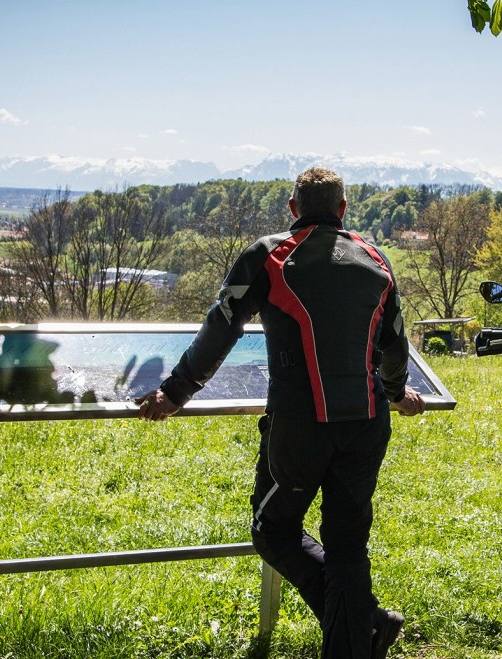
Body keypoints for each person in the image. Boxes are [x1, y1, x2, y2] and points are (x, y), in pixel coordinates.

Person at [136, 167, 425, 658]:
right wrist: (397, 393)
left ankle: (369, 621)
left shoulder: (268, 254)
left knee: (273, 529)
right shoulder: (377, 259)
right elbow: (395, 342)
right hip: (368, 422)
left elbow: (220, 326)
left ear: (292, 209)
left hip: (300, 427)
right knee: (348, 548)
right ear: (342, 210)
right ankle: (363, 627)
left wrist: (174, 392)